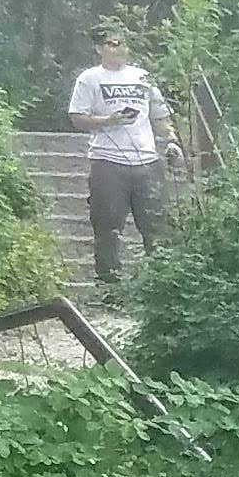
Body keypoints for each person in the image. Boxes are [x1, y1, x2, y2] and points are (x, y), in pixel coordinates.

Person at [65, 27, 177, 284]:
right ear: (100, 49)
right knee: (107, 227)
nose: (119, 48)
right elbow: (77, 118)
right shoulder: (90, 78)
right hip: (108, 161)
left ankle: (160, 285)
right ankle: (109, 285)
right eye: (112, 43)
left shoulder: (143, 77)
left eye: (122, 43)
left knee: (157, 228)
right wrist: (108, 120)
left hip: (147, 161)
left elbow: (160, 115)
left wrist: (171, 140)